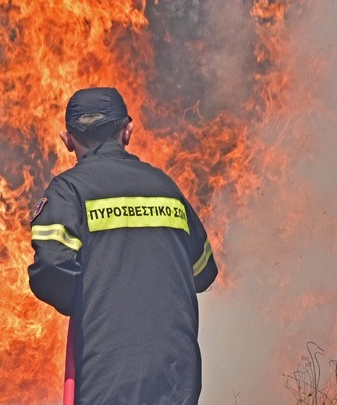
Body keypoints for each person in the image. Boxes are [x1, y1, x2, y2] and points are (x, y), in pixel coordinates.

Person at [27, 87, 218, 404]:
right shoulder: (165, 188)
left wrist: (89, 300)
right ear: (127, 131)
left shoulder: (68, 191)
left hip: (107, 378)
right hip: (177, 379)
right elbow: (203, 271)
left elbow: (51, 267)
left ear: (68, 139)